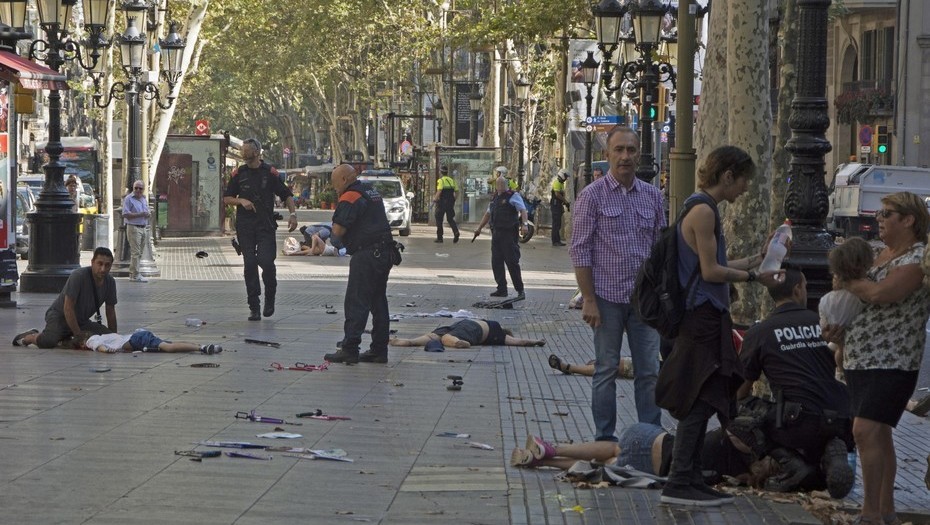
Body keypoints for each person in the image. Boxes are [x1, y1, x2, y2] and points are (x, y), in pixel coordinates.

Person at [654, 145, 781, 507]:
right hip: (703, 318)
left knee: (707, 397)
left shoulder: (698, 206)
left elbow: (709, 264)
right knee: (701, 399)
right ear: (728, 175)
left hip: (705, 316)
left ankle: (690, 476)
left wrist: (757, 259)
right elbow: (711, 273)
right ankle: (680, 479)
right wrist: (755, 276)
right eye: (743, 181)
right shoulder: (704, 212)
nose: (745, 189)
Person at [822, 191, 930, 525]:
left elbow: (880, 294)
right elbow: (860, 301)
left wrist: (847, 280)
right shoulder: (881, 255)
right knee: (879, 434)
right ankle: (885, 512)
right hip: (861, 358)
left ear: (908, 219)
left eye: (887, 214)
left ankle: (870, 514)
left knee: (864, 431)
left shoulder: (915, 260)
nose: (879, 219)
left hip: (893, 360)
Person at [569, 126, 665, 440]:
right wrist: (589, 299)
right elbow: (580, 248)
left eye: (631, 150)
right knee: (606, 368)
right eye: (619, 150)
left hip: (643, 302)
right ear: (607, 154)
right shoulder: (591, 196)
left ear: (639, 154)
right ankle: (604, 438)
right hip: (606, 299)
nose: (625, 156)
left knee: (649, 371)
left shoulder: (653, 196)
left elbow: (659, 249)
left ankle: (650, 436)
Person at [736, 267, 855, 499]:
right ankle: (832, 449)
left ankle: (789, 463)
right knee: (808, 416)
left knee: (737, 411)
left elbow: (740, 389)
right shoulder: (824, 323)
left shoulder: (761, 331)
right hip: (841, 415)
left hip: (797, 420)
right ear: (798, 289)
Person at [510, 423, 761, 491]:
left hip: (650, 442)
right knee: (605, 463)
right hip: (650, 470)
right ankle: (543, 460)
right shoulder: (738, 472)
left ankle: (553, 449)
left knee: (612, 449)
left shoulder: (735, 444)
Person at [323, 164, 395, 364]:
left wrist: (337, 245)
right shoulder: (371, 191)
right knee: (378, 301)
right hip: (385, 252)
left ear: (345, 179)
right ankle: (379, 350)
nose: (334, 187)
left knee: (356, 301)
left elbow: (337, 232)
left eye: (334, 182)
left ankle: (350, 348)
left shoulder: (349, 196)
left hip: (367, 255)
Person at [223, 138, 297, 321]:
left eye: (246, 150)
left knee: (266, 262)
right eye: (242, 150)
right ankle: (254, 306)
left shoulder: (269, 173)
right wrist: (241, 201)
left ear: (256, 152)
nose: (242, 153)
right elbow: (227, 198)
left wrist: (293, 215)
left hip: (265, 225)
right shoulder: (238, 174)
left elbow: (286, 194)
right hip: (245, 226)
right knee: (249, 265)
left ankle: (270, 297)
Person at [13, 247, 118, 349]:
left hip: (81, 321)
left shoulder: (110, 282)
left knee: (105, 336)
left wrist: (114, 338)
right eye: (99, 264)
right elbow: (68, 308)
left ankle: (66, 338)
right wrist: (78, 335)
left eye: (107, 265)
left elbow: (110, 311)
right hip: (59, 316)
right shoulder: (79, 276)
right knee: (48, 341)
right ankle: (30, 336)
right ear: (92, 262)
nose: (103, 269)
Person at [820, 237, 873, 377]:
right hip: (860, 355)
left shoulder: (828, 299)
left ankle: (840, 369)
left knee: (839, 348)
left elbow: (825, 327)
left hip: (838, 333)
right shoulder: (867, 290)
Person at [474, 176, 529, 299]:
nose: (500, 187)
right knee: (496, 262)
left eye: (502, 184)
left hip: (509, 234)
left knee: (512, 262)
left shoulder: (513, 196)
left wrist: (525, 225)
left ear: (506, 185)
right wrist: (479, 228)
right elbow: (488, 214)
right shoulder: (495, 198)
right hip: (496, 234)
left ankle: (520, 290)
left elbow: (523, 210)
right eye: (498, 184)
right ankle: (501, 289)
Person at [389, 318, 545, 348]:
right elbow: (519, 341)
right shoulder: (499, 334)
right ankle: (457, 342)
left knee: (433, 336)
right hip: (473, 330)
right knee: (448, 338)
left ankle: (409, 341)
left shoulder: (490, 324)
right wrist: (536, 341)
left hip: (461, 323)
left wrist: (536, 341)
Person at [76, 330, 223, 354]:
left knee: (169, 348)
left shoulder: (91, 340)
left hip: (137, 339)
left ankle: (203, 348)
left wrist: (107, 351)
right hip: (138, 338)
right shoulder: (103, 335)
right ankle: (201, 346)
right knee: (170, 344)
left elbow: (98, 346)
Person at [122, 180, 151, 283]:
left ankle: (134, 273)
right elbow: (125, 214)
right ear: (133, 188)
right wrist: (140, 214)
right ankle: (135, 274)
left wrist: (147, 214)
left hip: (143, 227)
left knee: (139, 252)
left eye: (140, 188)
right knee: (135, 252)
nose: (138, 190)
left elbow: (146, 211)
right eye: (136, 188)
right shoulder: (129, 199)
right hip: (133, 227)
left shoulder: (144, 199)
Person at [433, 165, 460, 243]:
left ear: (441, 172)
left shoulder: (441, 181)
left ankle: (440, 237)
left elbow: (439, 191)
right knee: (450, 219)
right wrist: (454, 199)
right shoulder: (452, 180)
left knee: (439, 219)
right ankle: (456, 232)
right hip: (450, 202)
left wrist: (435, 199)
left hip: (442, 203)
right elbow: (457, 192)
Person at [550, 169, 569, 246]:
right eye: (566, 176)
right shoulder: (557, 183)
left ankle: (557, 240)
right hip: (555, 205)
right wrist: (565, 201)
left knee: (558, 224)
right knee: (556, 224)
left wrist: (564, 202)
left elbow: (561, 194)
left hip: (558, 205)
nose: (566, 178)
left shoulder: (561, 183)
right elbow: (557, 194)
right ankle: (555, 241)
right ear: (562, 175)